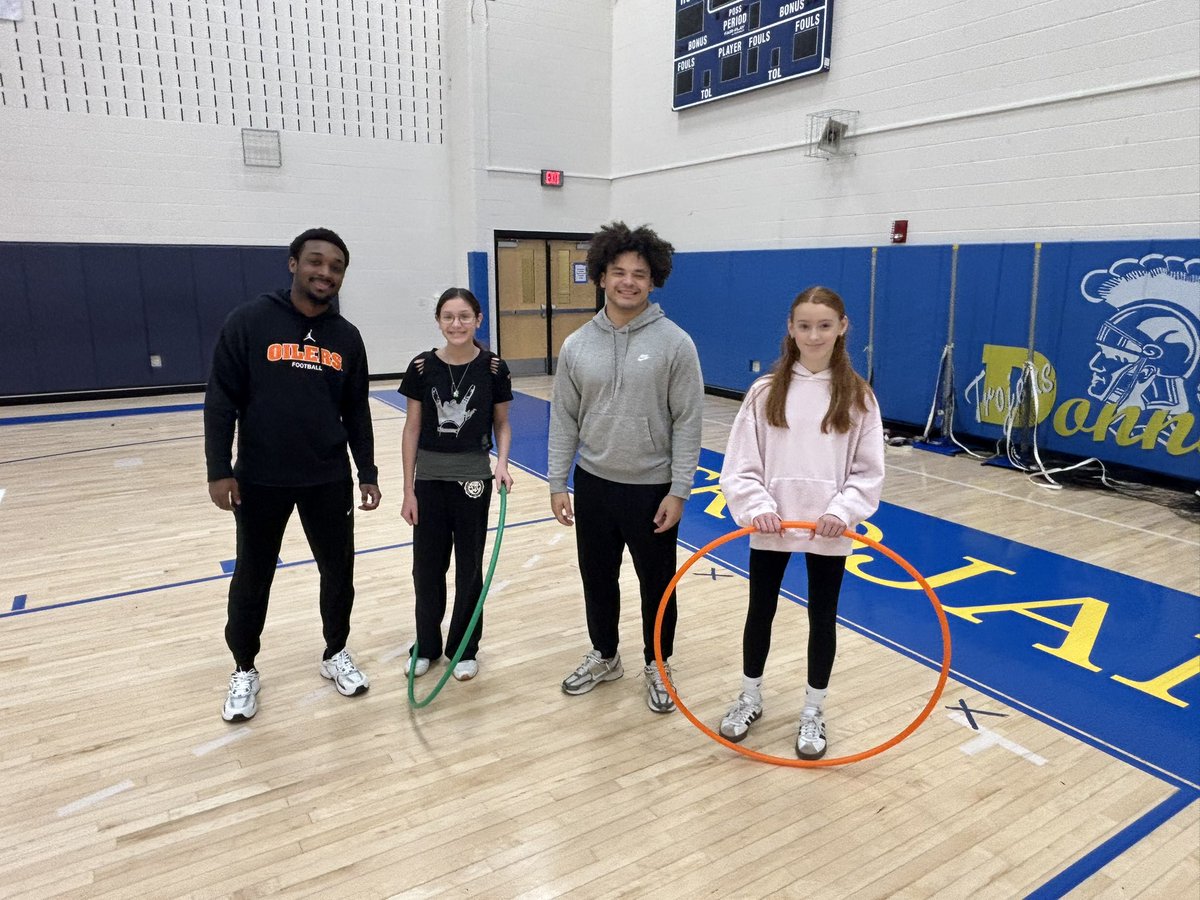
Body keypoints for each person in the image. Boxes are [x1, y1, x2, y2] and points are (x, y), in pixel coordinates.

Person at [204, 227, 381, 722]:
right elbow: (221, 400)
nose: (326, 273)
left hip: (327, 478)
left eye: (336, 267)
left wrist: (366, 470)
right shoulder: (249, 321)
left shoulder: (346, 337)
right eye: (317, 262)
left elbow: (357, 411)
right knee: (253, 576)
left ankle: (335, 653)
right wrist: (219, 469)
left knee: (338, 573)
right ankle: (244, 667)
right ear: (293, 264)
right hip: (260, 478)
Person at [718, 286, 884, 759]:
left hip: (828, 530)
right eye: (805, 325)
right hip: (771, 525)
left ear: (842, 327)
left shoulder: (859, 397)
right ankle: (750, 696)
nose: (814, 335)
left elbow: (868, 471)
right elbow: (740, 465)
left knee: (822, 618)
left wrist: (842, 511)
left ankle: (814, 708)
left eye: (824, 325)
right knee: (760, 612)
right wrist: (756, 507)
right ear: (790, 328)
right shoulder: (765, 392)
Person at [548, 221, 704, 714]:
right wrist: (557, 481)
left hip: (651, 490)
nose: (629, 281)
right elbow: (563, 420)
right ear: (600, 276)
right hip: (594, 484)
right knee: (597, 577)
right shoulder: (576, 345)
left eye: (639, 273)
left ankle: (658, 664)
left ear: (653, 279)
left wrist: (679, 489)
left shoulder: (676, 344)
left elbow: (688, 423)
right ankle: (605, 654)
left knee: (658, 586)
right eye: (619, 272)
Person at [399, 288, 513, 682]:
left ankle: (464, 648)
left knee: (469, 568)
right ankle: (426, 646)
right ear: (438, 321)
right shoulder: (420, 367)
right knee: (426, 570)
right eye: (448, 317)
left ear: (478, 320)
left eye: (465, 316)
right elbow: (412, 428)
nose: (457, 324)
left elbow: (502, 423)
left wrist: (502, 463)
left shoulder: (494, 368)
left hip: (473, 481)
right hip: (429, 480)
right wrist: (408, 489)